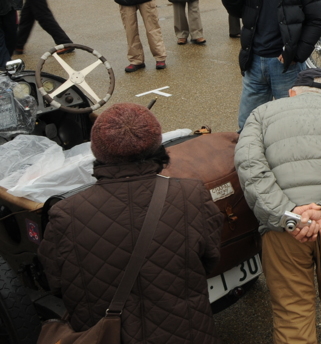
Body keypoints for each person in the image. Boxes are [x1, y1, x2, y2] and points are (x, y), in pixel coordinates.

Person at [40, 103, 223, 344]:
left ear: (97, 149)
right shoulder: (191, 195)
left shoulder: (64, 214)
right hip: (186, 332)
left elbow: (56, 284)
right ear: (156, 145)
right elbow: (210, 258)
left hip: (105, 335)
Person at [236, 68, 321, 344]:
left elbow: (249, 167)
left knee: (292, 307)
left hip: (285, 228)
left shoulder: (261, 114)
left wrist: (287, 215)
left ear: (292, 92)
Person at [222, 0, 321, 129]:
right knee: (247, 125)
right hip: (253, 63)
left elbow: (317, 20)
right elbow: (236, 12)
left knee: (290, 124)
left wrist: (298, 53)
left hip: (285, 65)